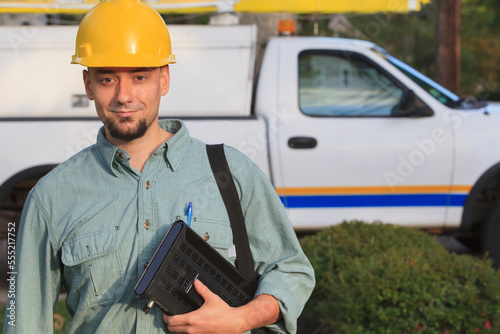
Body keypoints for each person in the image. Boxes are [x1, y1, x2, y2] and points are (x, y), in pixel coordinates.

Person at [2, 0, 315, 333]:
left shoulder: (230, 173)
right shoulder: (52, 197)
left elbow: (290, 270)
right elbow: (25, 321)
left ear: (163, 79)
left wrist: (243, 318)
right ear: (88, 84)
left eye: (140, 76)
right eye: (107, 78)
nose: (124, 95)